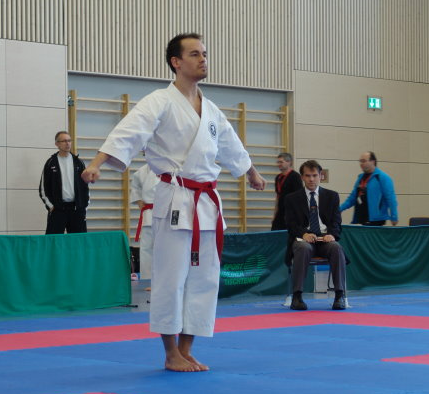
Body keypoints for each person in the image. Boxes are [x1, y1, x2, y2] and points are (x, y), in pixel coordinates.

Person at [81, 33, 266, 372]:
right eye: (195, 54)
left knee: (204, 278)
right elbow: (128, 131)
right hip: (175, 200)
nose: (203, 59)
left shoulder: (211, 110)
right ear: (176, 62)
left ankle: (186, 349)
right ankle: (169, 353)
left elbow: (231, 145)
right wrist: (96, 163)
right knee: (171, 277)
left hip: (206, 203)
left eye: (205, 53)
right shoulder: (159, 101)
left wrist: (251, 172)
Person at [284, 160, 347, 311]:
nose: (311, 179)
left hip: (325, 240)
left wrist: (332, 235)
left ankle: (339, 295)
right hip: (304, 240)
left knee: (336, 247)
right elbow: (290, 224)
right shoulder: (291, 198)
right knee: (303, 248)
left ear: (320, 176)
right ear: (302, 177)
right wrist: (304, 234)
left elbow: (336, 221)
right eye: (307, 176)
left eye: (314, 175)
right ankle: (297, 296)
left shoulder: (332, 196)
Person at [39, 131, 90, 234]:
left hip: (76, 209)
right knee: (53, 241)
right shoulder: (50, 163)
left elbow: (85, 186)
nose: (67, 143)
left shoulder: (79, 162)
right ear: (57, 144)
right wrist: (51, 206)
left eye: (69, 141)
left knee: (78, 241)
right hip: (57, 209)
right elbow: (43, 188)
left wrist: (85, 205)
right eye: (64, 141)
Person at [340, 151, 398, 226]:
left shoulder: (382, 177)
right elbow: (352, 198)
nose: (361, 164)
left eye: (364, 161)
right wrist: (340, 209)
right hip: (362, 218)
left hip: (376, 220)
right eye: (360, 161)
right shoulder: (360, 178)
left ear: (373, 162)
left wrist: (394, 216)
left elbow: (391, 198)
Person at [129, 164, 160, 280]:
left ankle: (165, 278)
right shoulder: (141, 171)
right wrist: (138, 200)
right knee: (146, 248)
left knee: (165, 247)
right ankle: (147, 278)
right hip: (148, 213)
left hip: (166, 212)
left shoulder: (169, 167)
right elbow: (135, 188)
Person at [271, 152, 303, 231]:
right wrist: (275, 215)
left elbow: (299, 197)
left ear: (289, 162)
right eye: (278, 162)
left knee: (289, 234)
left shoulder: (295, 176)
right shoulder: (278, 178)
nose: (279, 164)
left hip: (291, 212)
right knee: (274, 233)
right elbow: (278, 197)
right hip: (280, 213)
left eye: (281, 162)